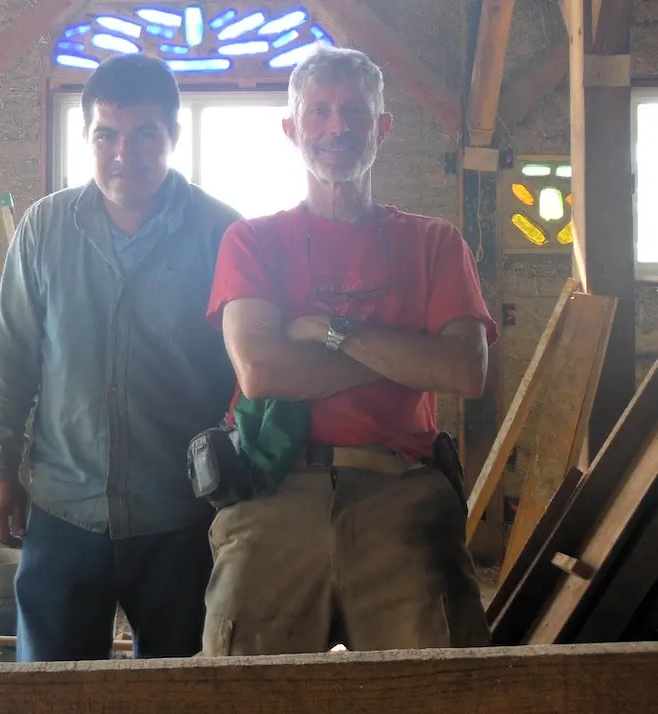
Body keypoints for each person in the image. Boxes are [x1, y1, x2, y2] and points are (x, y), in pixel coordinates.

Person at [200, 44, 499, 656]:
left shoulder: (435, 243)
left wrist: (338, 333)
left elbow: (465, 371)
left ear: (382, 127)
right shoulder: (252, 241)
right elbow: (260, 371)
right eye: (319, 112)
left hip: (404, 496)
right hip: (275, 495)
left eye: (356, 113)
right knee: (237, 691)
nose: (338, 126)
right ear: (292, 128)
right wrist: (404, 359)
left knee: (440, 688)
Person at [0, 54, 241, 662]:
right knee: (52, 690)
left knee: (180, 692)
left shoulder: (221, 235)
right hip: (65, 509)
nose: (125, 153)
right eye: (107, 135)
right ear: (87, 138)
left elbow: (248, 378)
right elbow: (10, 359)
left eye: (146, 133)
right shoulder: (44, 230)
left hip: (181, 515)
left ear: (173, 136)